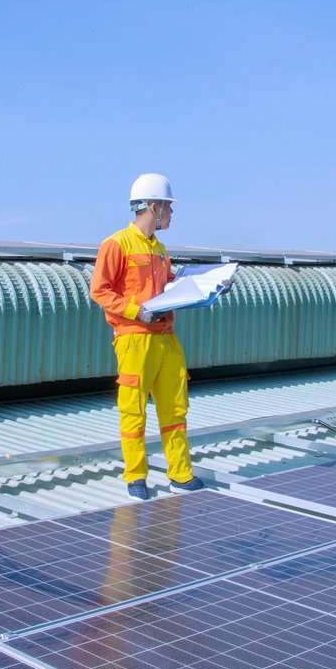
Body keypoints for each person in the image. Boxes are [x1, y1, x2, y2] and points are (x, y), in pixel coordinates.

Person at [89, 173, 205, 500]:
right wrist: (134, 311)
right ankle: (136, 476)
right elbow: (99, 291)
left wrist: (207, 288)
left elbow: (169, 287)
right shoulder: (116, 244)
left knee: (174, 408)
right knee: (133, 409)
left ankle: (180, 474)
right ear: (153, 207)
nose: (171, 213)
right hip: (134, 338)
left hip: (166, 337)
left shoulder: (160, 249)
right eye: (168, 207)